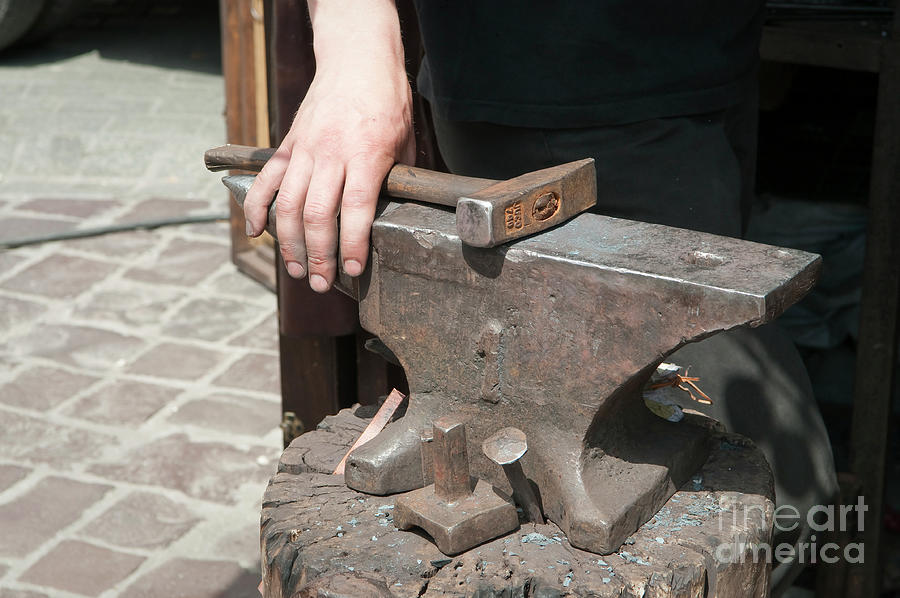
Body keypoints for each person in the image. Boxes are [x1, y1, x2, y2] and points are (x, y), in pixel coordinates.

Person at [243, 1, 838, 591]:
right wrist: (356, 55)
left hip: (705, 73)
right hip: (529, 84)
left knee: (795, 491)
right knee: (796, 493)